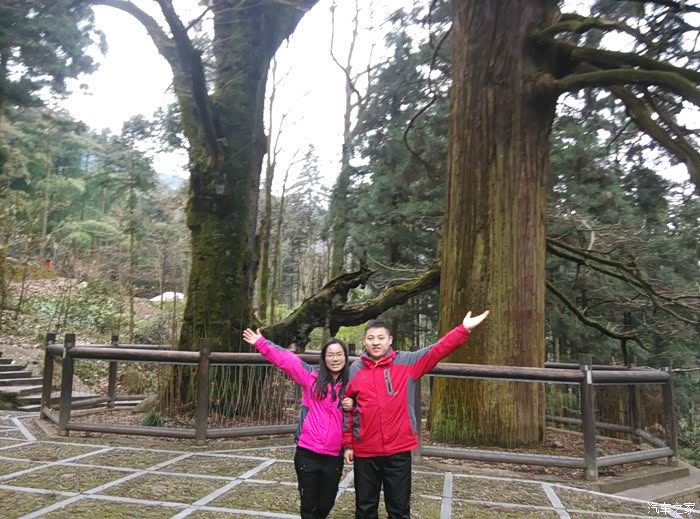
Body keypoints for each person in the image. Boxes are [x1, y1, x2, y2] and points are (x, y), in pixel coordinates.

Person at [341, 311, 489, 519]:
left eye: (381, 338)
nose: (375, 343)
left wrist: (463, 329)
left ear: (390, 340)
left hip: (398, 450)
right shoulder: (355, 369)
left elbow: (437, 350)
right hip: (366, 451)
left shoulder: (407, 362)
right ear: (364, 341)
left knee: (399, 509)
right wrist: (348, 444)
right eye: (371, 338)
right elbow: (347, 408)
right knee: (365, 509)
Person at [242, 329, 348, 519]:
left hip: (334, 455)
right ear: (324, 358)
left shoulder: (351, 385)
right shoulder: (311, 377)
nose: (335, 359)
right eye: (330, 355)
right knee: (309, 504)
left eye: (339, 354)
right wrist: (261, 343)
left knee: (326, 503)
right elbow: (286, 360)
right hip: (308, 451)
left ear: (345, 357)